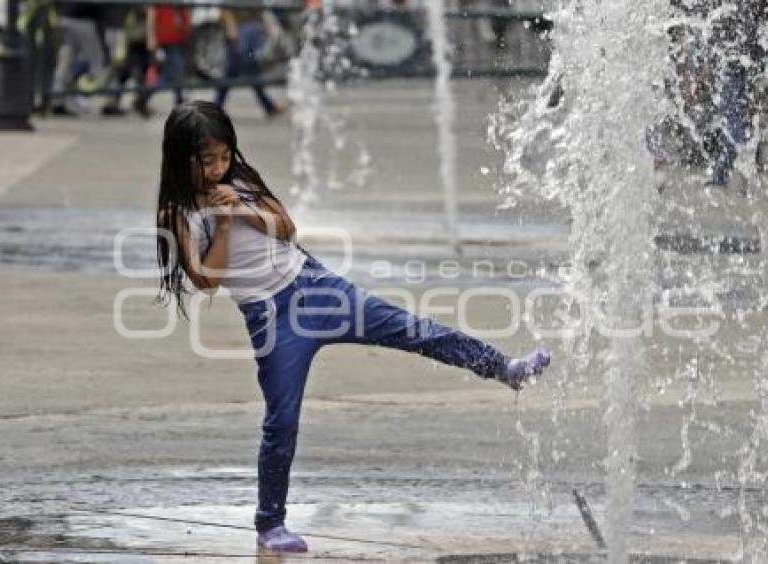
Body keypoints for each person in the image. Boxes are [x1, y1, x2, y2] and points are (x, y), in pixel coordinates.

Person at [154, 101, 551, 553]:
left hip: (315, 285)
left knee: (413, 329)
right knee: (281, 420)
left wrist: (240, 210)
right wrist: (222, 223)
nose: (219, 168)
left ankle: (505, 369)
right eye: (208, 161)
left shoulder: (240, 182)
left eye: (225, 157)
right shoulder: (177, 212)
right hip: (270, 319)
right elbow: (206, 279)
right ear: (181, 157)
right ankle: (270, 524)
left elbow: (284, 226)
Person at [214, 8, 287, 116]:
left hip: (249, 31)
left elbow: (258, 8)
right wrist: (231, 26)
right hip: (241, 31)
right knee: (244, 67)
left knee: (237, 70)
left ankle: (216, 107)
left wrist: (265, 23)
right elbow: (227, 8)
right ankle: (269, 107)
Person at [139, 4, 191, 111]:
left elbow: (182, 12)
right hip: (166, 39)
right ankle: (179, 99)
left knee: (172, 71)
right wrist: (151, 38)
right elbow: (151, 13)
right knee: (174, 69)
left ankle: (143, 98)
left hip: (177, 37)